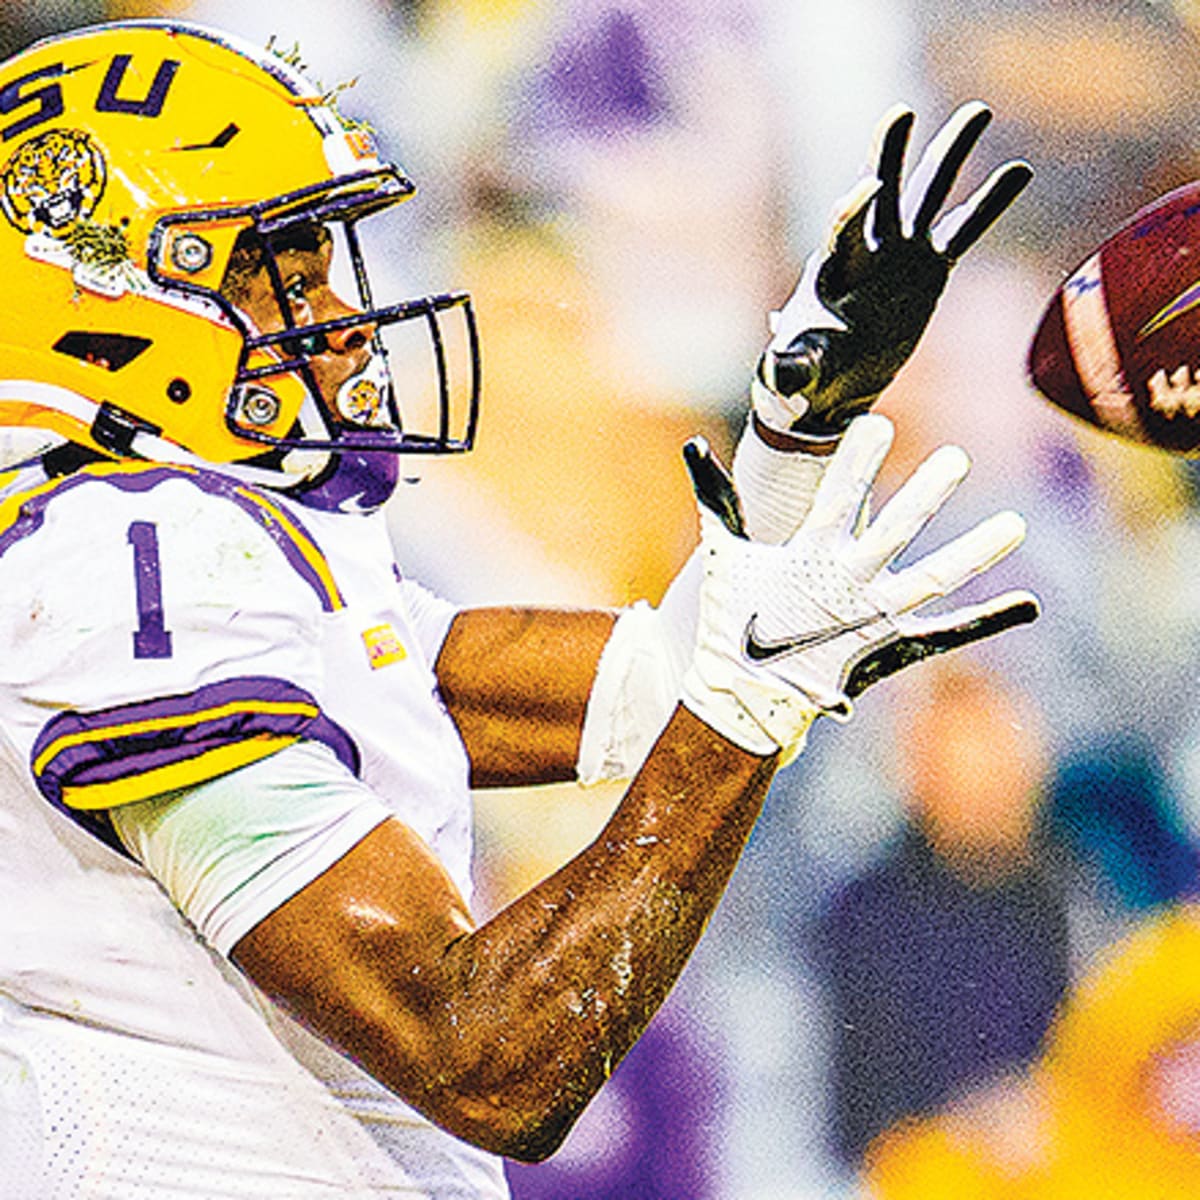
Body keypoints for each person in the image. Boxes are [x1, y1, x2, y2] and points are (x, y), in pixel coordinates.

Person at [0, 18, 1035, 1198]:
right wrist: (751, 705)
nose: (340, 311)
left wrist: (791, 439)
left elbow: (647, 691)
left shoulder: (196, 546)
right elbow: (487, 1060)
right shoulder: (121, 566)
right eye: (281, 270)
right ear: (107, 301)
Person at [817, 665, 1070, 1167]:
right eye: (963, 765)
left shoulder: (1063, 891)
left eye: (998, 759)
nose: (987, 787)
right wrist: (965, 1133)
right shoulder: (869, 915)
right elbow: (857, 1120)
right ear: (919, 775)